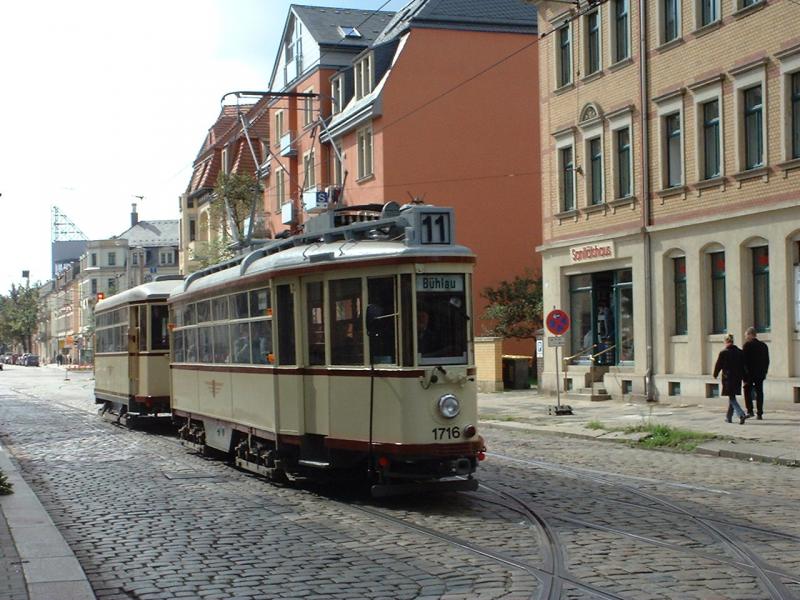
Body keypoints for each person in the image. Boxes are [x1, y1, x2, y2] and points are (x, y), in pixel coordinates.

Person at [713, 333, 749, 425]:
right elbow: (743, 367)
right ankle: (728, 417)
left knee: (732, 398)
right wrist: (745, 379)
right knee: (731, 397)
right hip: (737, 378)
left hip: (728, 378)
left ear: (726, 341)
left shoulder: (724, 352)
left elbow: (718, 365)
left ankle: (741, 414)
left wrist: (715, 374)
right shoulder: (740, 352)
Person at [742, 326, 770, 420]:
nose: (745, 337)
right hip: (760, 373)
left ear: (750, 335)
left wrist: (745, 375)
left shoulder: (747, 346)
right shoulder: (763, 346)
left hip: (749, 374)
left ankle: (750, 410)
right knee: (759, 392)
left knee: (747, 391)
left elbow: (744, 361)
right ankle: (760, 413)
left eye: (746, 335)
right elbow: (767, 360)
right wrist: (765, 372)